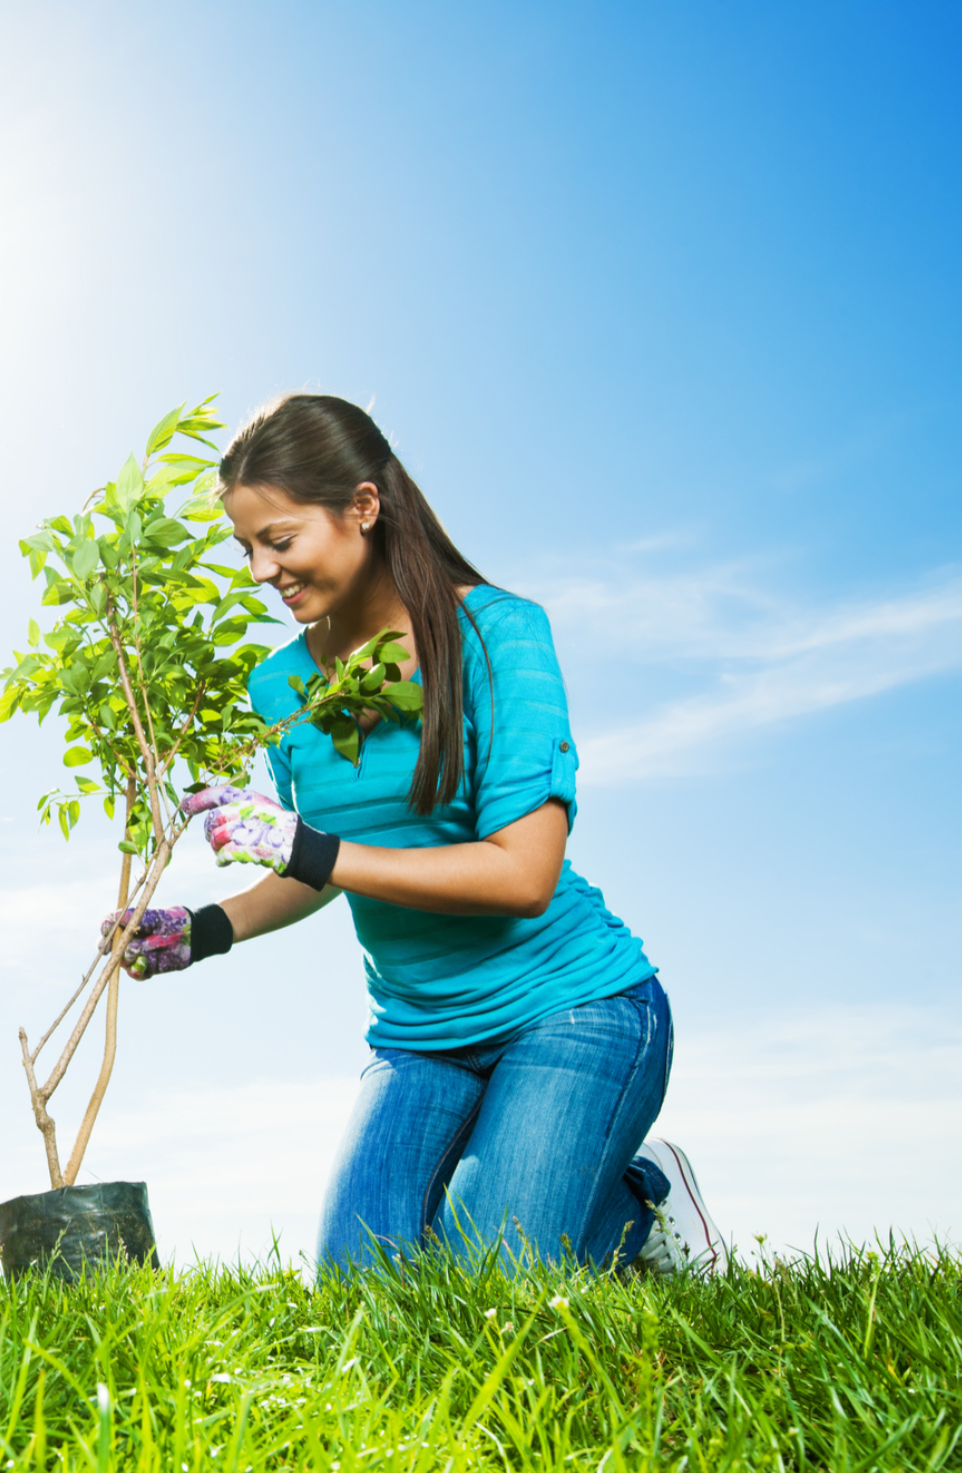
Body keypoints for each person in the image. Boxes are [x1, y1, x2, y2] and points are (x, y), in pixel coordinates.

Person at [105, 394, 723, 1278]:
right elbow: (322, 862)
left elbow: (523, 875)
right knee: (366, 1288)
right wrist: (206, 927)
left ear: (363, 506)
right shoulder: (281, 687)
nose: (259, 570)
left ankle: (642, 1203)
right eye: (245, 547)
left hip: (573, 1008)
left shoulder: (500, 634)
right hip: (420, 1033)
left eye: (279, 540)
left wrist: (306, 846)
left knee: (492, 1278)